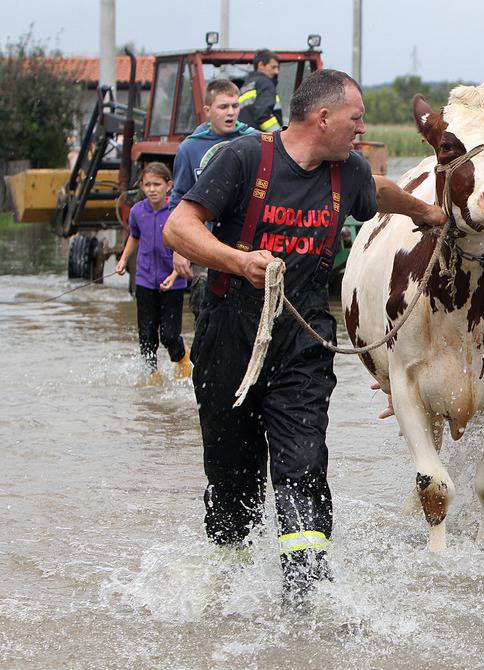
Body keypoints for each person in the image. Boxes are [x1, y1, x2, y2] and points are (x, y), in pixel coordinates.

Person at [163, 69, 447, 598]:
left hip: (304, 336)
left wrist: (428, 212)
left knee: (304, 463)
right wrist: (238, 260)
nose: (361, 130)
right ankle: (226, 585)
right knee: (233, 480)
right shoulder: (245, 158)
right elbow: (178, 226)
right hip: (231, 329)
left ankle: (307, 594)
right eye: (356, 120)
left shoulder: (347, 172)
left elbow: (380, 191)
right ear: (323, 118)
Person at [115, 162, 191, 382]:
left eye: (157, 184)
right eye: (147, 184)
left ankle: (182, 359)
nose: (152, 189)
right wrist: (122, 260)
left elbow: (185, 245)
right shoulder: (138, 211)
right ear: (141, 186)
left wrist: (175, 274)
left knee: (169, 335)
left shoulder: (176, 212)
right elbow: (134, 236)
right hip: (145, 280)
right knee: (146, 336)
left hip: (172, 282)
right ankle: (152, 376)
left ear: (168, 185)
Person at [169, 78, 257, 210]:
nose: (231, 112)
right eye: (223, 107)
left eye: (235, 106)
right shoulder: (189, 148)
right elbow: (179, 199)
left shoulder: (256, 140)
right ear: (207, 111)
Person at [237, 49, 282, 133]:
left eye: (277, 68)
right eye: (273, 67)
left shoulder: (246, 85)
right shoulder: (266, 83)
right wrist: (279, 136)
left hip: (243, 138)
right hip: (261, 140)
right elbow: (263, 115)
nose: (276, 72)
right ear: (261, 65)